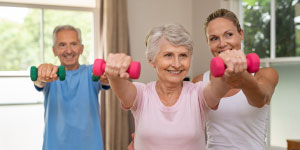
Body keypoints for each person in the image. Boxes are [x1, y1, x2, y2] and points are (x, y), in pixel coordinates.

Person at [105, 23, 250, 150]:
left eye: (183, 55)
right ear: (151, 60)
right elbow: (121, 86)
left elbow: (218, 88)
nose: (177, 63)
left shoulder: (198, 93)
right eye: (168, 55)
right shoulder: (142, 94)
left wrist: (230, 72)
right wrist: (114, 72)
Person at [192, 9, 279, 150]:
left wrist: (241, 75)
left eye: (229, 35)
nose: (222, 43)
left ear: (241, 34)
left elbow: (259, 100)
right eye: (214, 38)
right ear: (208, 42)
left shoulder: (265, 74)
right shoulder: (199, 81)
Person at [33, 25, 110, 150]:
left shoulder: (92, 72)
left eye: (73, 44)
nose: (69, 50)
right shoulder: (50, 74)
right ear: (54, 50)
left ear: (81, 48)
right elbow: (38, 82)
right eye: (62, 45)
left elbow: (106, 80)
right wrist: (40, 75)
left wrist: (108, 76)